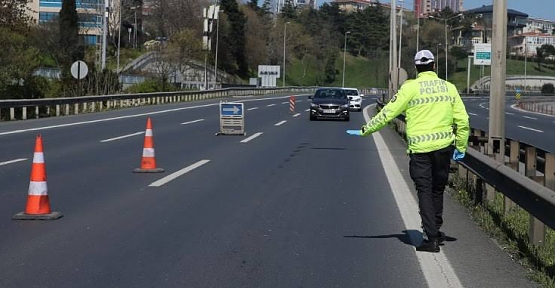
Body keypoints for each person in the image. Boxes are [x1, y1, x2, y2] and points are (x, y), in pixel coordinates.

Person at [359, 50, 470, 253]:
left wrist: (366, 129)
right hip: (444, 148)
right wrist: (461, 147)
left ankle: (431, 238)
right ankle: (435, 228)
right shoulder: (449, 87)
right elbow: (462, 120)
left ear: (417, 68)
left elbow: (388, 112)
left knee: (425, 191)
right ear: (434, 66)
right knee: (438, 189)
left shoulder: (410, 88)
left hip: (420, 151)